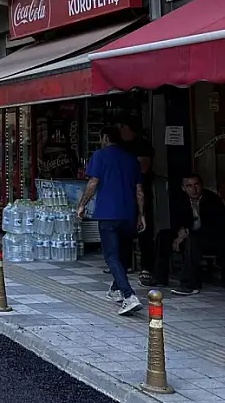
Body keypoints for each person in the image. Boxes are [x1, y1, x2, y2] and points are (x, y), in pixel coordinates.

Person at [77, 126, 146, 316]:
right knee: (123, 255)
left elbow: (93, 182)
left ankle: (129, 295)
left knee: (111, 256)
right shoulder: (132, 159)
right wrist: (141, 214)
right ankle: (116, 289)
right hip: (128, 213)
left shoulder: (100, 155)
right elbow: (139, 190)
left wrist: (82, 204)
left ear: (105, 137)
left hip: (108, 213)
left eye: (101, 138)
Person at [169, 174, 225, 295]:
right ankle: (158, 277)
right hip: (191, 237)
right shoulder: (182, 199)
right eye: (189, 186)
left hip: (215, 240)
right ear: (183, 188)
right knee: (163, 235)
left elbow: (215, 228)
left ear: (201, 185)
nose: (194, 189)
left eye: (196, 185)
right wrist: (180, 232)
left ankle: (188, 285)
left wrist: (187, 233)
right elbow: (177, 221)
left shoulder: (213, 200)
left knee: (192, 239)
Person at [118, 120, 159, 285]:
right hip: (126, 195)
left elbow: (142, 169)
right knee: (125, 229)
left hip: (142, 193)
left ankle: (146, 267)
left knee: (145, 230)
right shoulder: (122, 146)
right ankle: (125, 263)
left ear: (126, 126)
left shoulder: (141, 145)